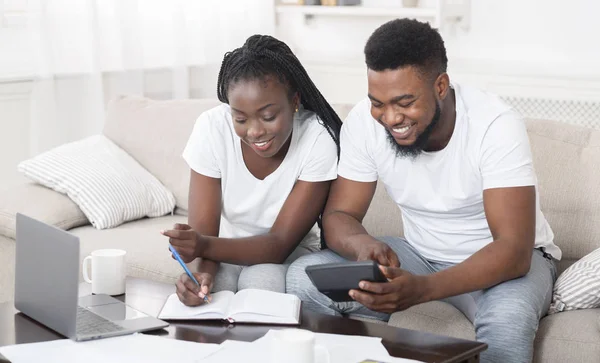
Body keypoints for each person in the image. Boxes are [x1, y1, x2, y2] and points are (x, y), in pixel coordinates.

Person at [286, 19, 560, 363]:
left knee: (507, 321)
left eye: (404, 102)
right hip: (419, 254)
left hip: (503, 265)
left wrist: (422, 290)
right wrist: (362, 245)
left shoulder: (495, 126)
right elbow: (340, 215)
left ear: (441, 86)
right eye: (378, 102)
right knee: (303, 278)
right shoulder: (364, 123)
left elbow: (513, 250)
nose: (389, 117)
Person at [162, 34, 342, 307]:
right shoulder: (212, 129)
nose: (255, 131)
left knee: (260, 284)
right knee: (209, 296)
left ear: (295, 101)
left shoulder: (318, 138)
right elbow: (204, 233)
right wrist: (201, 275)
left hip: (287, 253)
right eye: (241, 119)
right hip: (222, 250)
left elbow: (278, 244)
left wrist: (201, 245)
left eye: (269, 116)